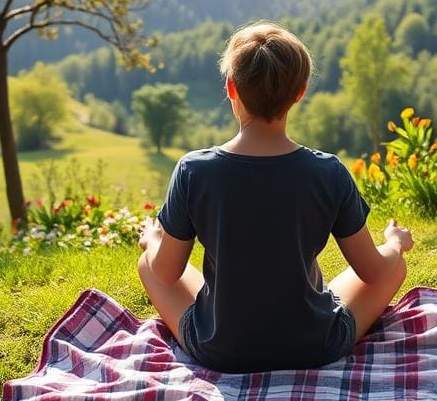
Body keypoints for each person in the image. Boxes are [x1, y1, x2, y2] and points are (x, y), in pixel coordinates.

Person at [138, 21, 413, 372]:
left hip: (221, 351)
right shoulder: (328, 172)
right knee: (393, 266)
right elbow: (373, 272)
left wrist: (153, 240)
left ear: (231, 88)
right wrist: (395, 244)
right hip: (314, 346)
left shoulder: (194, 171)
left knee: (149, 262)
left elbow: (165, 272)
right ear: (299, 92)